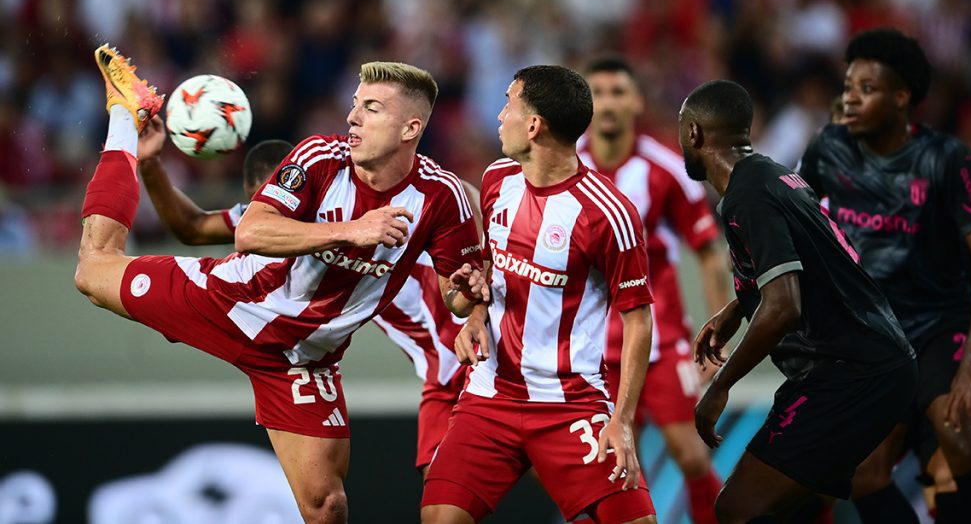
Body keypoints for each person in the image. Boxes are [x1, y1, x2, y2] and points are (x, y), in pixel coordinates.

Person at [74, 45, 484, 524]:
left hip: (304, 360)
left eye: (371, 108)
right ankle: (125, 116)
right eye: (354, 103)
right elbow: (249, 232)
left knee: (327, 506)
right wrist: (350, 230)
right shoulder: (317, 158)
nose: (352, 117)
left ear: (410, 129)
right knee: (92, 269)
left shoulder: (442, 195)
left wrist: (469, 296)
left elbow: (455, 296)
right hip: (230, 303)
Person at [135, 117, 481, 477]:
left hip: (470, 354)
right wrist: (150, 162)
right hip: (442, 371)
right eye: (260, 203)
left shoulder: (375, 210)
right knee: (442, 494)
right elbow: (192, 227)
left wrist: (478, 272)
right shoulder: (274, 224)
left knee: (455, 486)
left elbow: (463, 197)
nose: (268, 212)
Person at [421, 65, 658, 524]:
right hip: (489, 398)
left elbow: (638, 318)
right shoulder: (497, 180)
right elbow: (489, 271)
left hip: (571, 404)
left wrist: (623, 421)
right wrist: (474, 316)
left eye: (508, 103)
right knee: (439, 519)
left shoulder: (608, 213)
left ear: (533, 125)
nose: (499, 115)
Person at [678, 79, 917, 524]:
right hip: (873, 362)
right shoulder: (775, 175)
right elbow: (813, 262)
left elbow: (783, 307)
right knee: (805, 508)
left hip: (850, 373)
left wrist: (720, 386)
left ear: (693, 133)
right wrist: (738, 307)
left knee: (737, 509)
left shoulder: (746, 196)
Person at [798, 28, 971, 524]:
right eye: (848, 86)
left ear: (901, 97)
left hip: (938, 328)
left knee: (959, 432)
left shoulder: (947, 158)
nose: (851, 97)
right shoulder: (827, 149)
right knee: (863, 474)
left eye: (867, 88)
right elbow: (792, 224)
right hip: (874, 340)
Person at [578, 54, 727, 524]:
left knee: (693, 456)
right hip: (592, 351)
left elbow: (710, 253)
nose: (607, 103)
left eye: (618, 92)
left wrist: (717, 335)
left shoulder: (666, 168)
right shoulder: (564, 165)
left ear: (636, 101)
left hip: (661, 341)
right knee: (615, 470)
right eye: (597, 93)